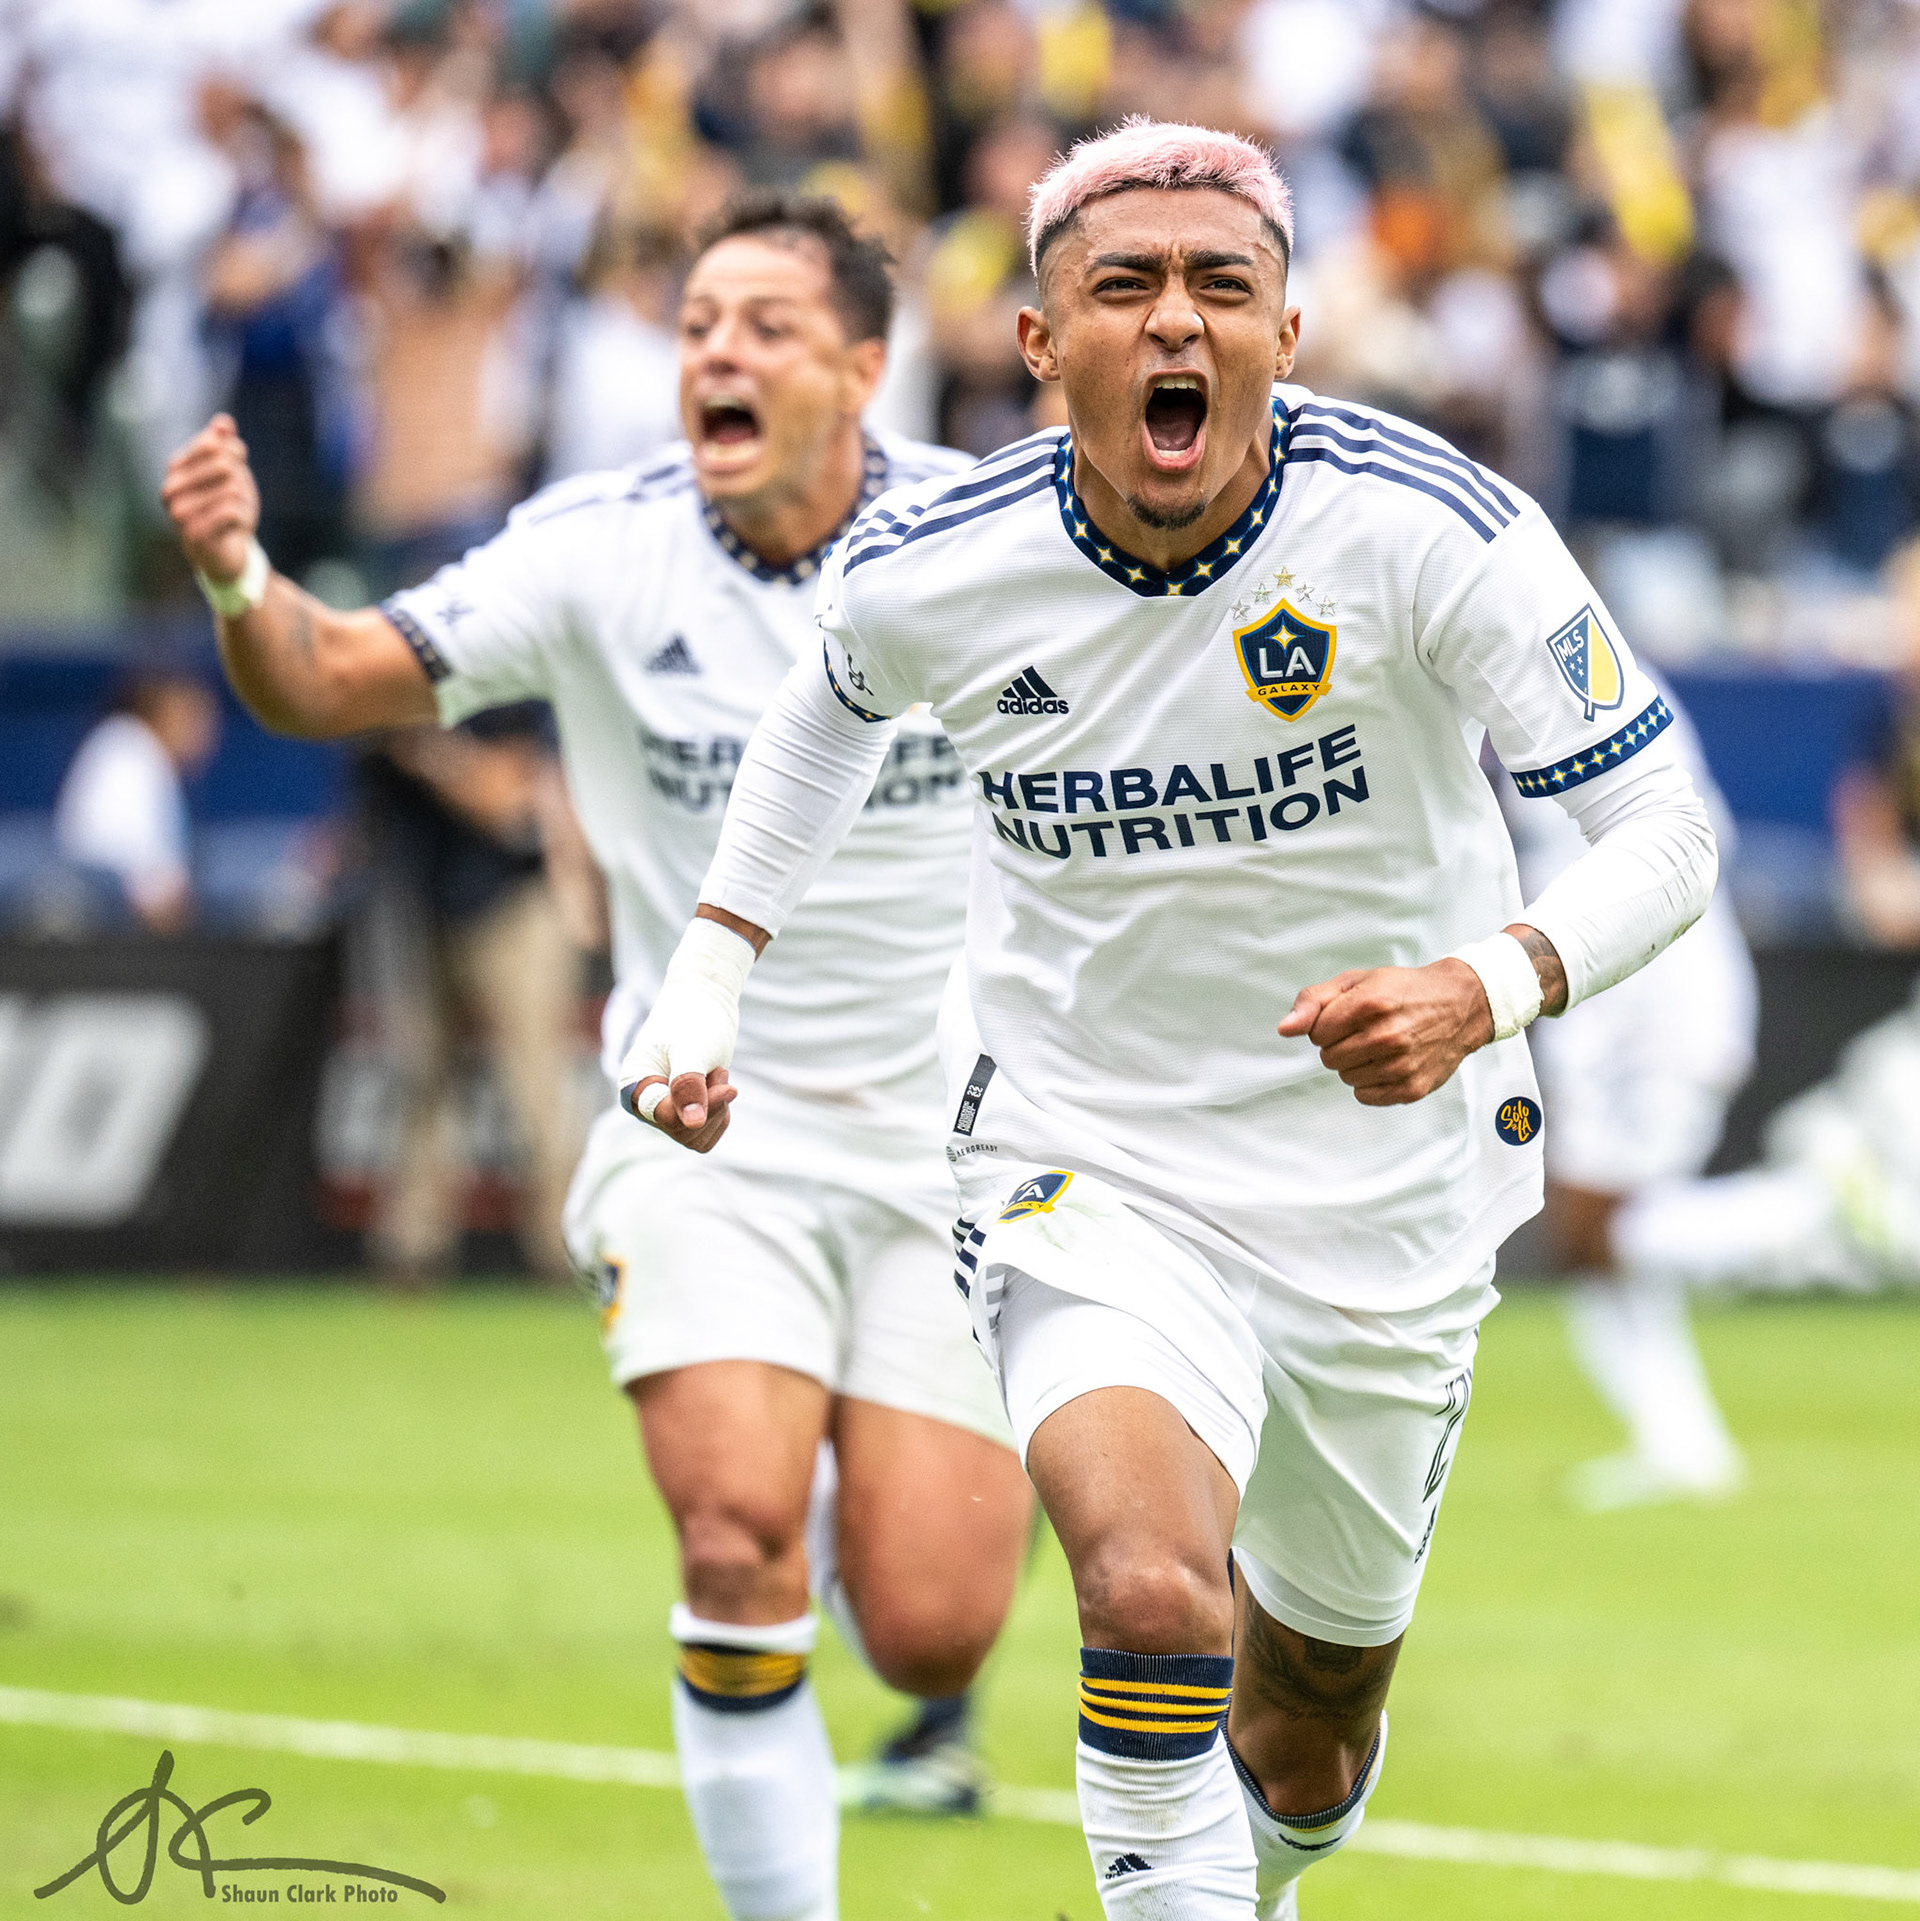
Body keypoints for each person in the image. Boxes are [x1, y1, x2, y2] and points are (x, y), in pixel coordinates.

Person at [622, 122, 1718, 1918]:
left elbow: (1663, 829)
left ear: (1289, 328)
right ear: (1041, 340)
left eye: (1223, 286)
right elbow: (824, 719)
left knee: (1308, 1731)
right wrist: (711, 965)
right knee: (1144, 1592)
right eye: (1124, 286)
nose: (1177, 323)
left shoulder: (1430, 526)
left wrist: (1480, 984)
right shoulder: (933, 561)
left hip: (1390, 1195)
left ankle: (1260, 1880)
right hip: (1085, 1150)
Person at [160, 191, 1032, 1921]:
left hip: (967, 1137)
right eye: (698, 320)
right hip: (708, 1126)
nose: (718, 348)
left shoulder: (995, 539)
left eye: (768, 324)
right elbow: (329, 679)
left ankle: (863, 1447)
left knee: (933, 1619)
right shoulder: (596, 547)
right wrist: (240, 576)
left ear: (866, 366)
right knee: (731, 1539)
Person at [1495, 686, 1757, 1510]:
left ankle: (1817, 1222)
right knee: (1585, 1231)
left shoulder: (1591, 687)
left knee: (1599, 1224)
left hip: (1657, 993)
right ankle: (1681, 1439)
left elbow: (1696, 841)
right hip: (1602, 1000)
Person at [54, 668, 221, 932]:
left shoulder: (138, 750)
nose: (207, 735)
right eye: (195, 719)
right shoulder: (129, 750)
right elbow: (117, 867)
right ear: (165, 713)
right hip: (103, 919)